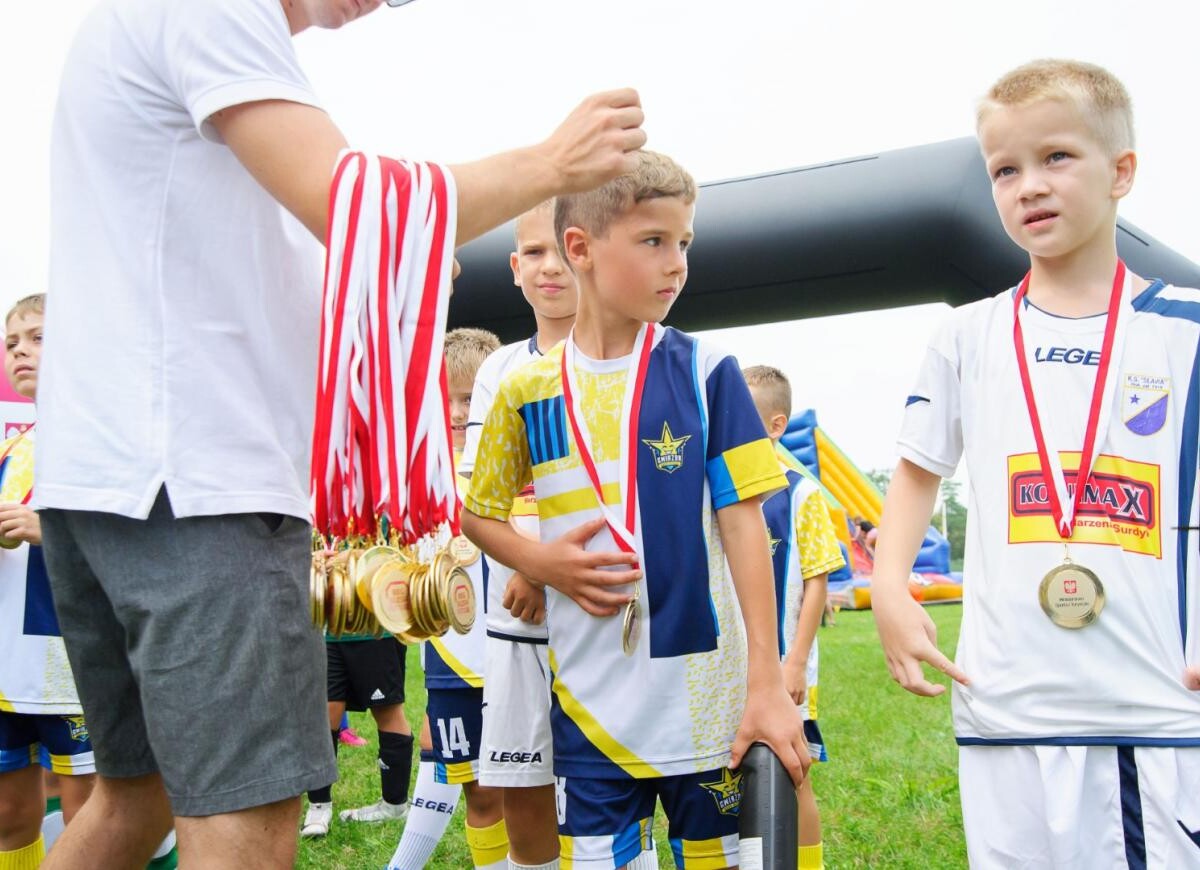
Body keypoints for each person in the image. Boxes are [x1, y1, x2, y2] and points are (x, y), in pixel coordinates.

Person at [37, 0, 647, 866]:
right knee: (246, 821)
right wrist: (549, 163)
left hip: (113, 475)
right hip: (198, 481)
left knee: (134, 806)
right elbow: (356, 203)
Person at [873, 59, 1200, 868]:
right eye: (1005, 170)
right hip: (1004, 705)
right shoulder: (967, 335)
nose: (1029, 186)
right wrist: (886, 587)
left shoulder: (1185, 330)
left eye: (1057, 157)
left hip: (1150, 708)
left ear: (1121, 170)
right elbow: (917, 471)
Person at [462, 150, 807, 870]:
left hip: (706, 701)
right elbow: (478, 512)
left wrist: (767, 682)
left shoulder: (707, 369)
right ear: (581, 249)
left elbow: (747, 526)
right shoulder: (527, 388)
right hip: (591, 701)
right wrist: (539, 561)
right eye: (654, 242)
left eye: (684, 243)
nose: (676, 264)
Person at [455, 200, 580, 869]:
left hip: (601, 607)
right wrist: (528, 567)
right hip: (517, 616)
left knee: (611, 784)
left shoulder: (623, 354)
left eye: (564, 249)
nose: (549, 266)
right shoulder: (498, 370)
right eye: (533, 252)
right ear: (512, 268)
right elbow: (484, 498)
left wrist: (540, 570)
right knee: (520, 783)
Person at [388, 327, 506, 869]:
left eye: (471, 398)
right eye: (449, 397)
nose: (460, 412)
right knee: (479, 791)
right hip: (452, 664)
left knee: (536, 789)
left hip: (522, 653)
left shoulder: (515, 462)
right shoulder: (418, 475)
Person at [0, 295, 95, 870]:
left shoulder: (99, 438)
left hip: (73, 656)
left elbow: (142, 546)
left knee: (92, 819)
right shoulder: (13, 445)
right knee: (10, 815)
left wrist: (47, 531)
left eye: (37, 338)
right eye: (12, 344)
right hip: (9, 663)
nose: (20, 352)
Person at [744, 365, 844, 870]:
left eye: (741, 417)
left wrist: (796, 663)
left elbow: (818, 581)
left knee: (794, 773)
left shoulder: (802, 494)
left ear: (775, 424)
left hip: (785, 666)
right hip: (735, 669)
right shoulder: (721, 489)